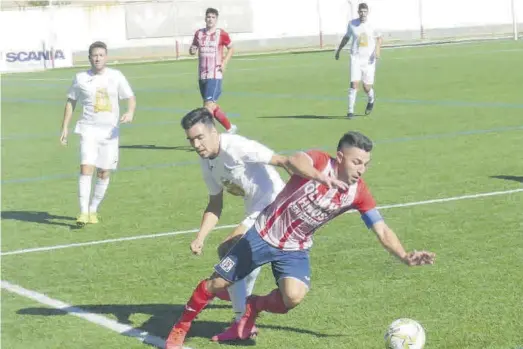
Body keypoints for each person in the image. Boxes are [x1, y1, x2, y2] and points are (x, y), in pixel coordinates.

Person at [165, 131, 436, 348]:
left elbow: (381, 228)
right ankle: (181, 328)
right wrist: (319, 177)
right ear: (340, 157)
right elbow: (295, 160)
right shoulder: (319, 161)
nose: (361, 169)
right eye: (356, 162)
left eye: (366, 164)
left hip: (295, 249)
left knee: (292, 297)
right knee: (217, 283)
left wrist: (404, 256)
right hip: (263, 234)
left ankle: (253, 307)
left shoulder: (358, 192)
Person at [180, 107, 288, 341]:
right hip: (257, 211)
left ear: (213, 131)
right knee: (234, 257)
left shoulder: (237, 146)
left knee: (231, 254)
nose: (196, 144)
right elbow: (215, 204)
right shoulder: (207, 162)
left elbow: (280, 160)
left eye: (200, 137)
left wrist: (317, 182)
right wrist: (200, 237)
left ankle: (242, 320)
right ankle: (243, 314)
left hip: (275, 206)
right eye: (191, 140)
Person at [59, 41, 136, 226]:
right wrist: (64, 127)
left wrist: (130, 112)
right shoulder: (80, 78)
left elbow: (130, 97)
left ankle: (93, 209)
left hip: (110, 133)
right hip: (88, 130)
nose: (98, 58)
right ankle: (83, 212)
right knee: (86, 168)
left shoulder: (116, 76)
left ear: (106, 57)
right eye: (95, 55)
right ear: (89, 58)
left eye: (101, 55)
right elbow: (71, 102)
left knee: (103, 172)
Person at [190, 7, 237, 133]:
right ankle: (229, 128)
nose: (210, 19)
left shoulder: (221, 33)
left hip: (215, 74)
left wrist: (224, 62)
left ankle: (209, 134)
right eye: (208, 17)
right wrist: (192, 50)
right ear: (205, 18)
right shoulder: (199, 33)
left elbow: (231, 48)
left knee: (207, 107)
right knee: (211, 105)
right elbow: (193, 48)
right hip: (202, 75)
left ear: (216, 19)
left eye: (213, 17)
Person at [335, 3, 383, 119]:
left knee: (366, 87)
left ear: (367, 12)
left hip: (369, 61)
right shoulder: (352, 24)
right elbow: (346, 37)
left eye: (364, 11)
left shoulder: (372, 25)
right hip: (356, 58)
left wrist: (377, 50)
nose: (362, 14)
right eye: (361, 11)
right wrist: (339, 50)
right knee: (354, 84)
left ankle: (371, 99)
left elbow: (379, 38)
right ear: (358, 12)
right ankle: (350, 111)